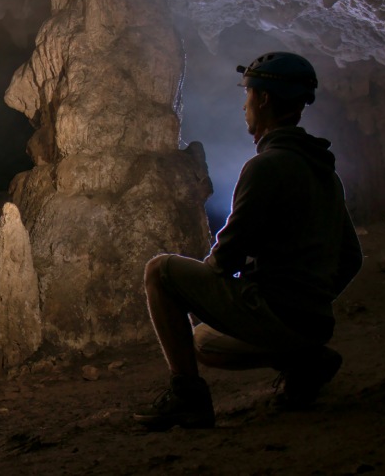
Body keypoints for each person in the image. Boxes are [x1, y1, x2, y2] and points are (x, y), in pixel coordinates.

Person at [134, 51, 363, 430]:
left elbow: (227, 257)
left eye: (248, 95)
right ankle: (304, 361)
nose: (244, 105)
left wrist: (201, 291)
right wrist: (311, 298)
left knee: (161, 272)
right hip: (313, 320)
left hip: (276, 313)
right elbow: (351, 257)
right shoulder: (323, 172)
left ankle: (188, 395)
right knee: (205, 342)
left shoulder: (266, 167)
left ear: (265, 99)